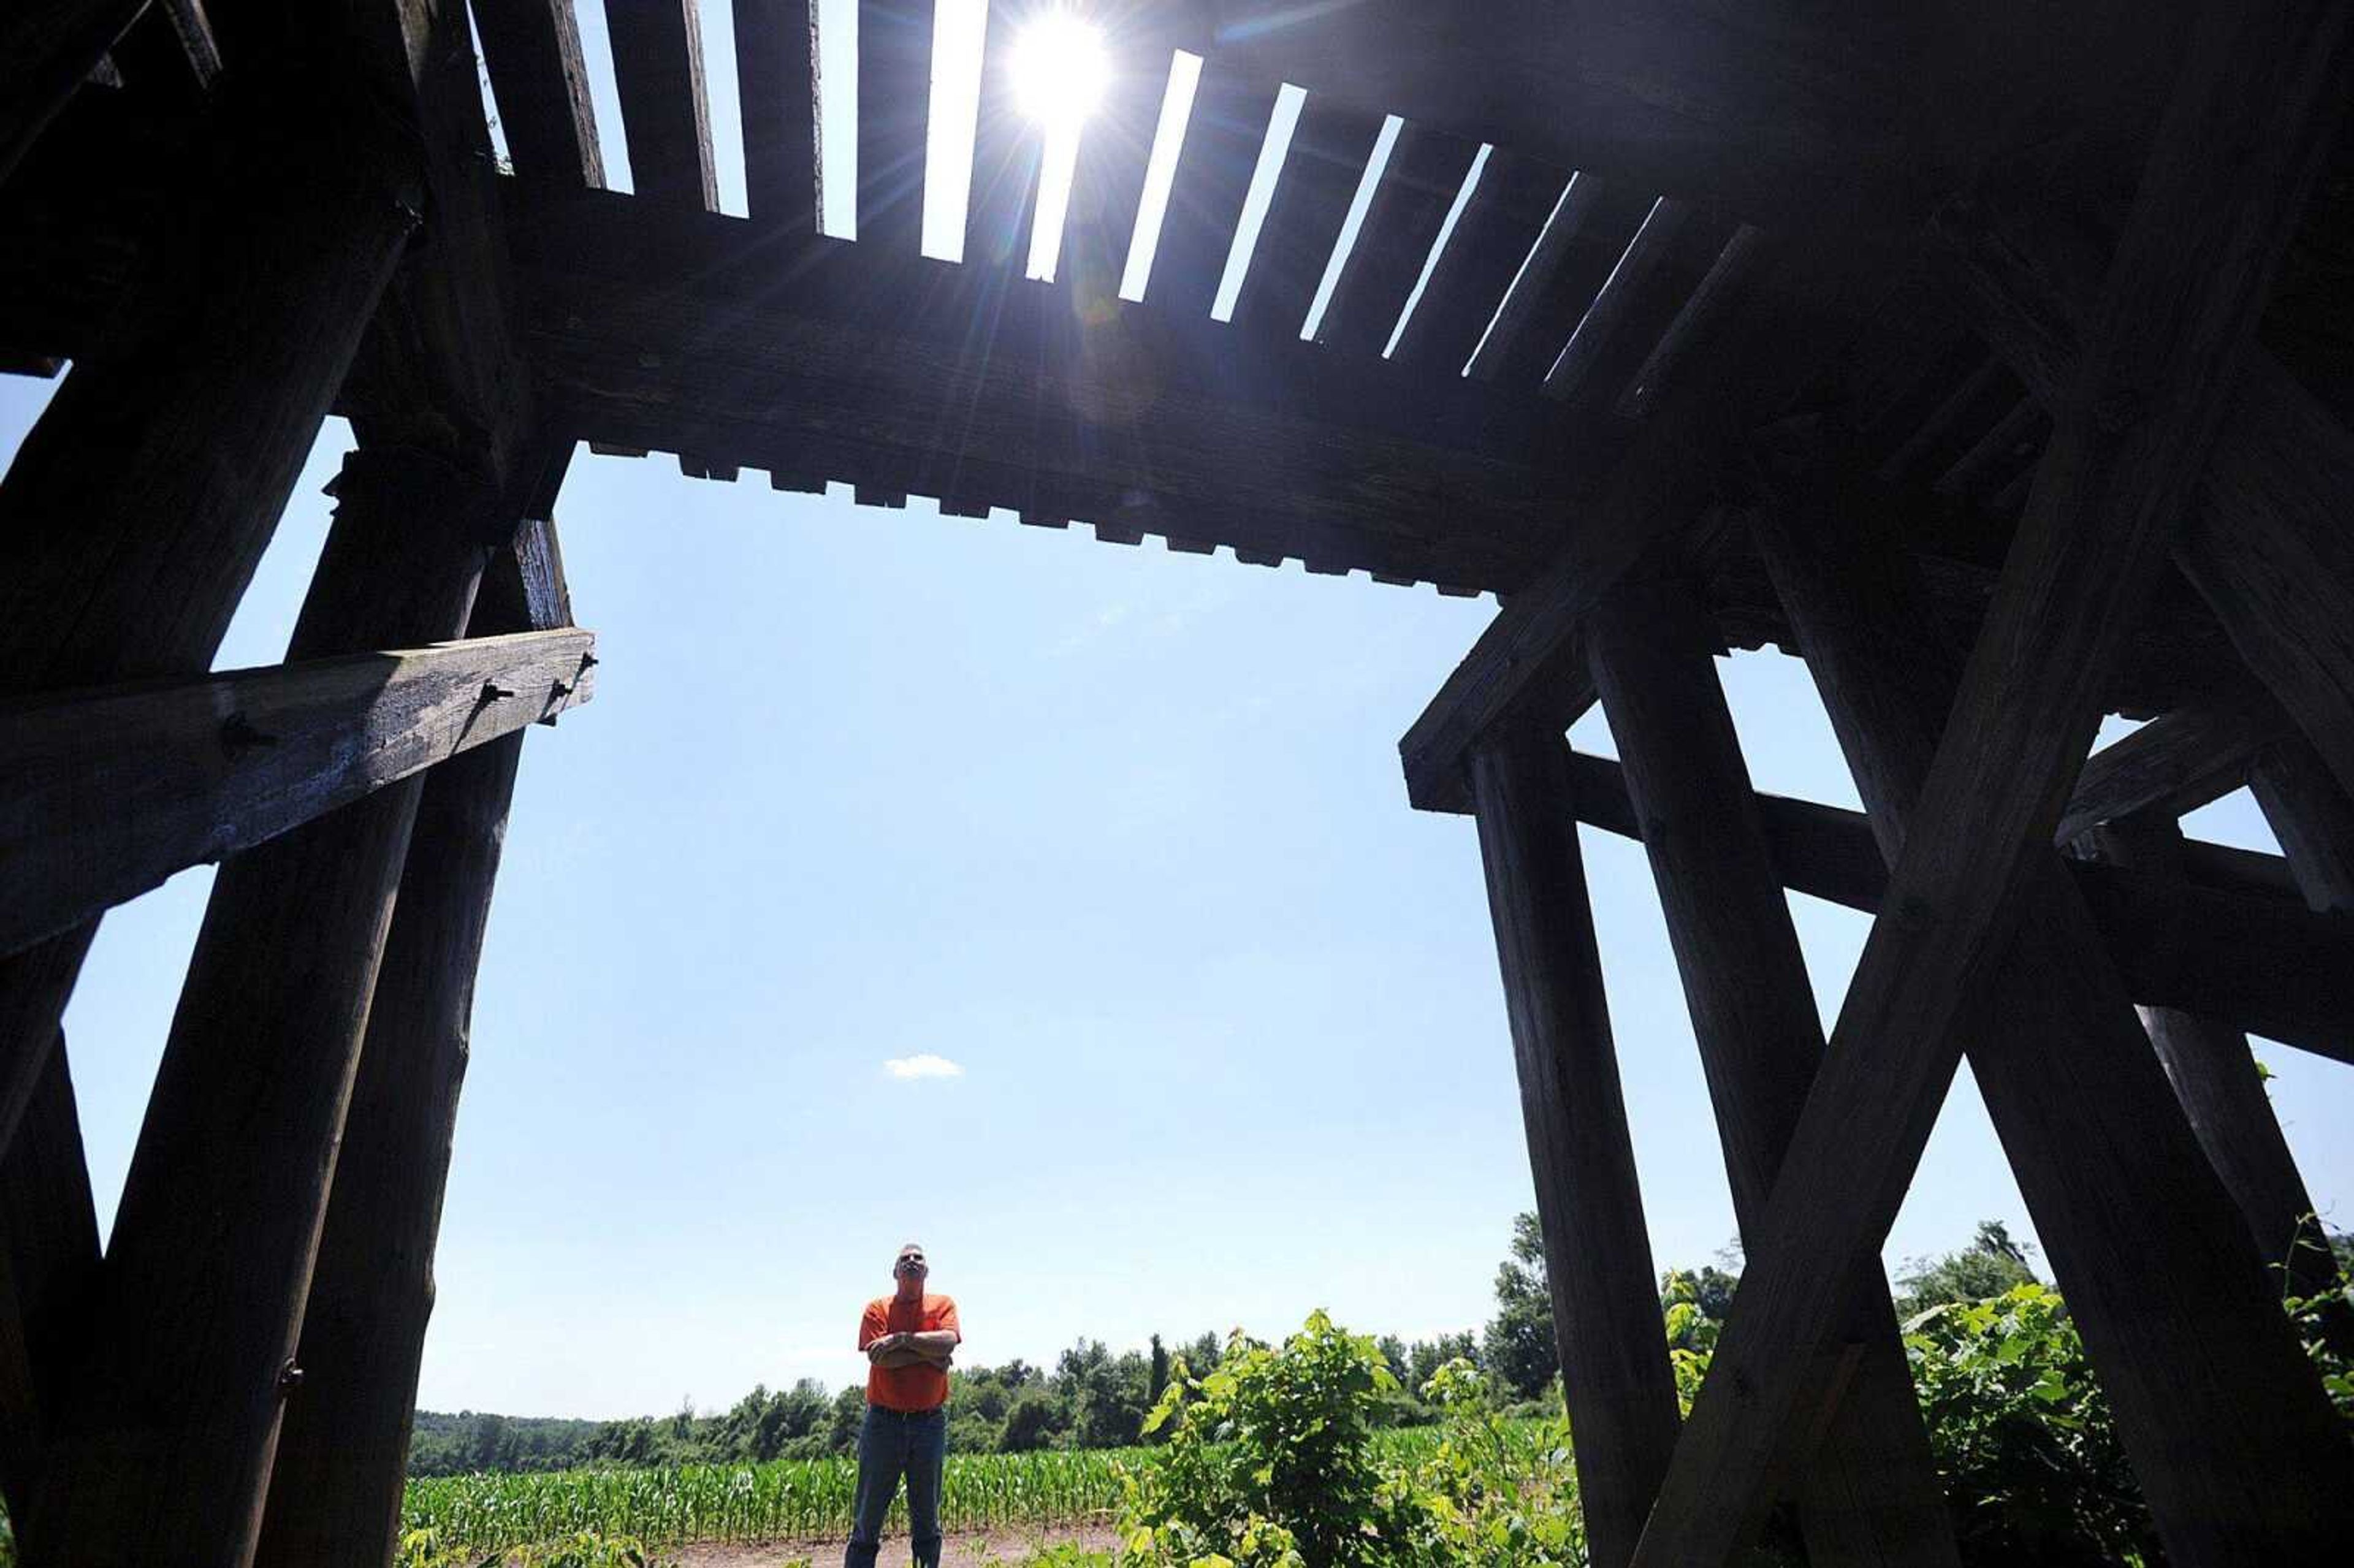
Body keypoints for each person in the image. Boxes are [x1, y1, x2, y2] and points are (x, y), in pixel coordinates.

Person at [847, 1242, 961, 1568]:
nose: (912, 1262)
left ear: (926, 1271)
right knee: (868, 1518)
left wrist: (901, 1339)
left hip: (929, 1424)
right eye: (905, 1259)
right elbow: (879, 1357)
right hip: (883, 1424)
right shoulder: (877, 1309)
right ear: (895, 1272)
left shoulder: (943, 1305)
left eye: (918, 1258)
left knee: (927, 1519)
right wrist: (931, 1355)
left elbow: (949, 1340)